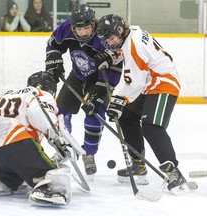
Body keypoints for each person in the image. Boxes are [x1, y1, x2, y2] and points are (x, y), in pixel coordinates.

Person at [0, 71, 76, 206]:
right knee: (52, 172)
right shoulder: (41, 94)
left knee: (11, 178)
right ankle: (47, 188)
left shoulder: (5, 96)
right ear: (51, 89)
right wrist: (57, 140)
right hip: (19, 144)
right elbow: (36, 112)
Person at [96, 14, 188, 192]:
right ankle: (139, 165)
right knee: (126, 116)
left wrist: (119, 100)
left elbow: (135, 83)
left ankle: (174, 173)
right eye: (107, 39)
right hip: (149, 83)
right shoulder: (133, 32)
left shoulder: (133, 46)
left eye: (112, 37)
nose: (110, 41)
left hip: (163, 83)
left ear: (121, 30)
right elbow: (132, 58)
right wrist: (113, 57)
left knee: (151, 126)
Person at [44, 4, 123, 176]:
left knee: (94, 114)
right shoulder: (66, 28)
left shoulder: (103, 35)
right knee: (61, 112)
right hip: (78, 75)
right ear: (73, 26)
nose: (84, 33)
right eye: (79, 29)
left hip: (101, 78)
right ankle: (65, 148)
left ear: (93, 24)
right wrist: (54, 59)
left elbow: (115, 66)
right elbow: (53, 43)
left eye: (87, 28)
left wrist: (100, 93)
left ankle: (89, 154)